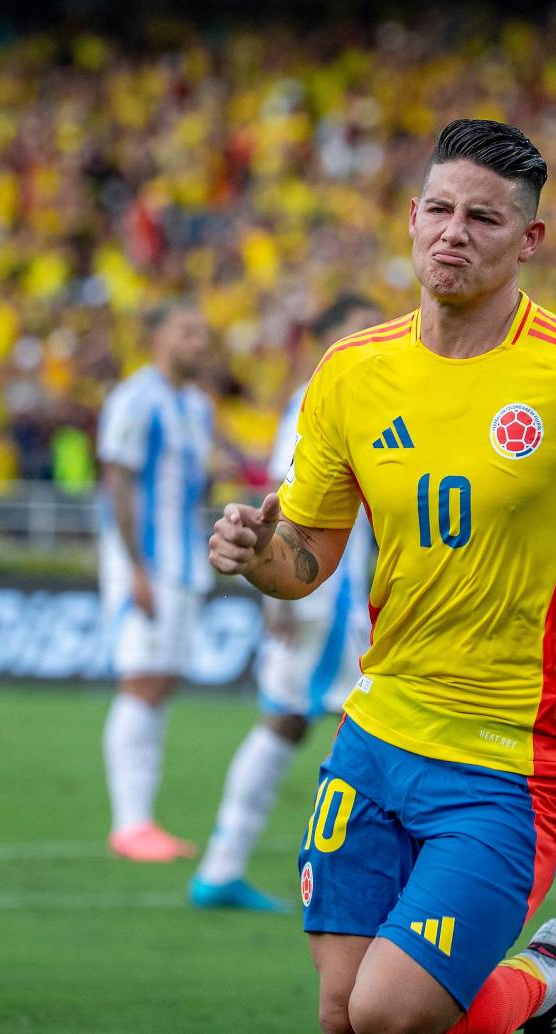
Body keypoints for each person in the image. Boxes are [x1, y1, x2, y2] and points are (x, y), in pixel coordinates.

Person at [209, 120, 556, 1034]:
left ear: (529, 240)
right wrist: (252, 553)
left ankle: (550, 980)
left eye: (483, 218)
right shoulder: (352, 374)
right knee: (344, 1015)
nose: (453, 232)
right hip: (378, 730)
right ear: (410, 219)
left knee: (392, 1013)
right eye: (438, 209)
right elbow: (305, 560)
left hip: (515, 751)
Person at [190, 295, 381, 912]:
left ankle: (223, 866)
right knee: (363, 725)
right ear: (324, 340)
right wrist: (278, 603)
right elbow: (283, 502)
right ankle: (354, 873)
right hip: (328, 596)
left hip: (334, 592)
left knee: (293, 720)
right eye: (355, 329)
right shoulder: (322, 394)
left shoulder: (360, 390)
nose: (370, 338)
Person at [98, 302, 214, 862]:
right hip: (144, 564)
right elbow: (116, 483)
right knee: (141, 681)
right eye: (187, 328)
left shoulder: (197, 406)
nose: (198, 342)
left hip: (185, 565)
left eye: (203, 334)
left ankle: (143, 818)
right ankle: (130, 823)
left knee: (161, 683)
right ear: (158, 334)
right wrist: (135, 569)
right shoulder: (134, 399)